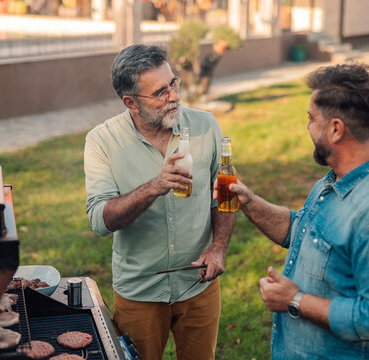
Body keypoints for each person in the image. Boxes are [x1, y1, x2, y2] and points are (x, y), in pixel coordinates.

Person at [216, 63, 369, 359]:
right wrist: (247, 200)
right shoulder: (336, 180)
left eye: (311, 119)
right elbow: (300, 230)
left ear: (336, 129)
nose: (307, 127)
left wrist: (295, 299)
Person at [84, 44, 235, 360]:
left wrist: (219, 247)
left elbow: (226, 191)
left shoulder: (206, 125)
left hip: (199, 284)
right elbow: (100, 220)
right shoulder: (102, 141)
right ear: (131, 103)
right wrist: (154, 187)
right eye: (160, 92)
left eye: (174, 84)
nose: (174, 96)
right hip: (140, 292)